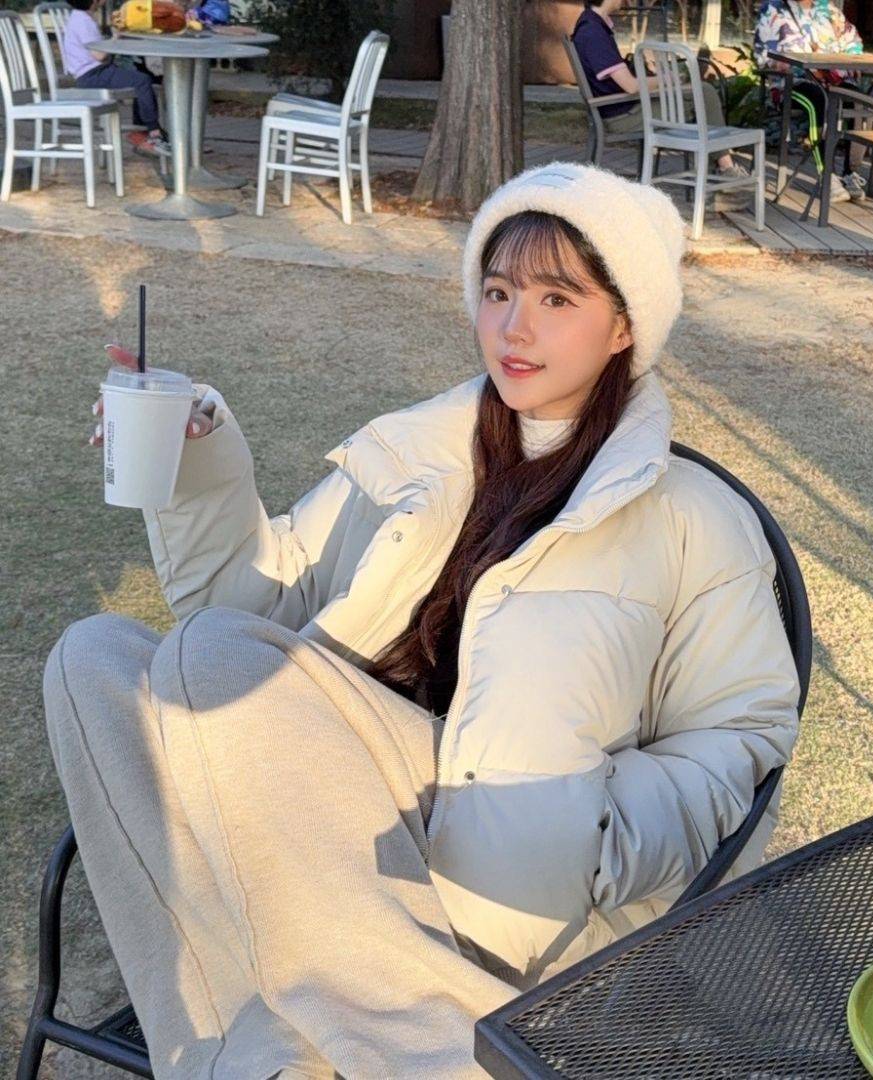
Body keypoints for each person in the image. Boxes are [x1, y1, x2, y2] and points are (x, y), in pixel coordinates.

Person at [59, 163, 800, 1078]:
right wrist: (196, 464)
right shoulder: (421, 455)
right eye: (498, 292)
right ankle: (267, 1055)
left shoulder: (689, 515)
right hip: (339, 800)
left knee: (204, 656)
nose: (514, 328)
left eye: (556, 298)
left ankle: (407, 1042)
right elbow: (253, 621)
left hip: (501, 862)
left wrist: (591, 836)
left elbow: (740, 735)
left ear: (624, 327)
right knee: (92, 657)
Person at [572, 0, 751, 192]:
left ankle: (719, 166)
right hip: (622, 114)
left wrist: (655, 78)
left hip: (621, 107)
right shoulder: (593, 32)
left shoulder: (591, 24)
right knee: (704, 92)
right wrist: (665, 80)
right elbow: (630, 86)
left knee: (696, 92)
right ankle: (725, 168)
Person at [753, 0, 869, 203]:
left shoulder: (830, 11)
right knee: (819, 101)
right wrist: (776, 62)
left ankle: (850, 172)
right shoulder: (773, 9)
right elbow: (762, 54)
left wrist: (851, 60)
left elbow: (853, 43)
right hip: (792, 82)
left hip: (832, 80)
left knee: (859, 102)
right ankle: (827, 176)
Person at [62, 0, 169, 157]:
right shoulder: (84, 21)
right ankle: (154, 132)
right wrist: (115, 37)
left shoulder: (79, 17)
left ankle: (141, 132)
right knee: (142, 81)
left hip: (93, 72)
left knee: (139, 76)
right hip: (92, 75)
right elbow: (99, 55)